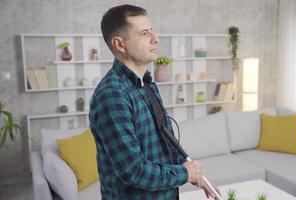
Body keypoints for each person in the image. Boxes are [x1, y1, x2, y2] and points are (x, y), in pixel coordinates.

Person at [89, 4, 220, 200]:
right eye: (144, 33)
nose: (155, 39)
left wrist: (197, 176)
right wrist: (185, 173)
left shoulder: (148, 84)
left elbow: (166, 143)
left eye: (152, 31)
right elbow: (133, 170)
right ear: (120, 44)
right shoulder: (111, 95)